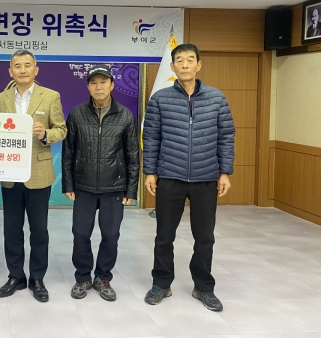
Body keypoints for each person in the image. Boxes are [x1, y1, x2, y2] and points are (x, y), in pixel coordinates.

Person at [143, 43, 235, 312]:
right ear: (172, 67)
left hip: (206, 176)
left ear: (198, 65)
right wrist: (150, 171)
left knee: (205, 237)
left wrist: (225, 172)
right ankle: (161, 283)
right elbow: (151, 137)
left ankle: (203, 287)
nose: (184, 64)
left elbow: (226, 136)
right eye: (179, 60)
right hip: (170, 175)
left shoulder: (217, 98)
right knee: (164, 235)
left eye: (190, 59)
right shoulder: (160, 99)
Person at [0, 50, 67, 302]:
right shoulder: (1, 99)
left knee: (39, 231)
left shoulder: (51, 96)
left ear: (36, 70)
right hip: (10, 173)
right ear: (10, 71)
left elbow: (61, 130)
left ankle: (37, 278)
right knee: (12, 230)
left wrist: (45, 134)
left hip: (39, 172)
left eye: (27, 65)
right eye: (17, 66)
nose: (22, 70)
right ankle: (16, 276)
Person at [62, 64, 139, 301]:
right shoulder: (77, 113)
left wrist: (131, 189)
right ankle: (83, 277)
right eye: (94, 82)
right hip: (83, 186)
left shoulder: (125, 115)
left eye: (103, 82)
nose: (98, 87)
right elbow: (68, 152)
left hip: (114, 187)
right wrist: (68, 184)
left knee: (111, 235)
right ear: (88, 86)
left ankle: (103, 277)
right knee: (80, 234)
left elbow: (133, 155)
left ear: (112, 85)